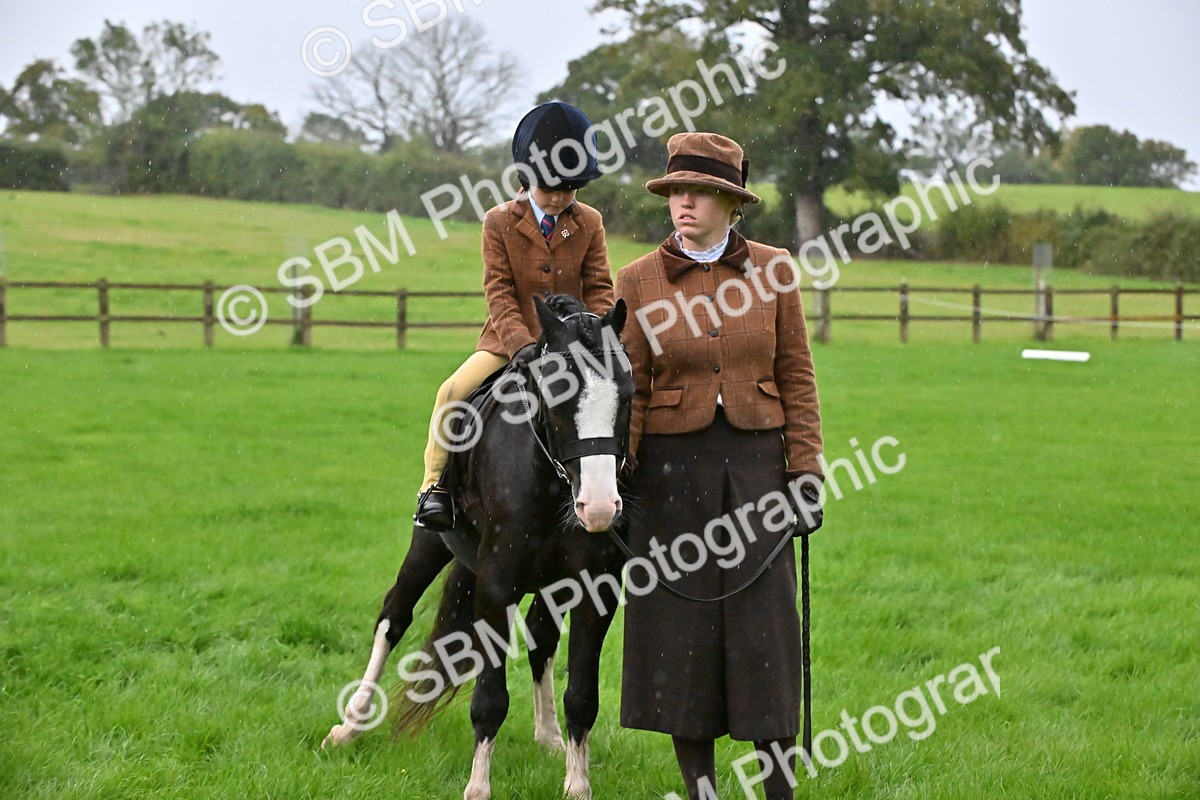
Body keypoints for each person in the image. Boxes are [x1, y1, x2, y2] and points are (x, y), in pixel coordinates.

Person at [615, 132, 825, 800]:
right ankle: (701, 788)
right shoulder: (637, 280)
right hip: (668, 477)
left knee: (766, 633)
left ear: (730, 203)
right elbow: (632, 390)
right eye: (675, 191)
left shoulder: (775, 269)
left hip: (760, 469)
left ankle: (779, 791)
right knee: (683, 638)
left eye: (699, 192)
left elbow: (797, 375)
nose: (684, 203)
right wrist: (619, 474)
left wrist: (808, 471)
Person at [414, 102, 614, 529]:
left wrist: (601, 336)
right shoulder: (499, 222)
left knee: (617, 397)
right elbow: (499, 291)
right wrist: (522, 344)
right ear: (527, 180)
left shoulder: (590, 222)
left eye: (571, 188)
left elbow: (599, 287)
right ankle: (436, 488)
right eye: (550, 188)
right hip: (509, 344)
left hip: (574, 346)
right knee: (453, 391)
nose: (560, 196)